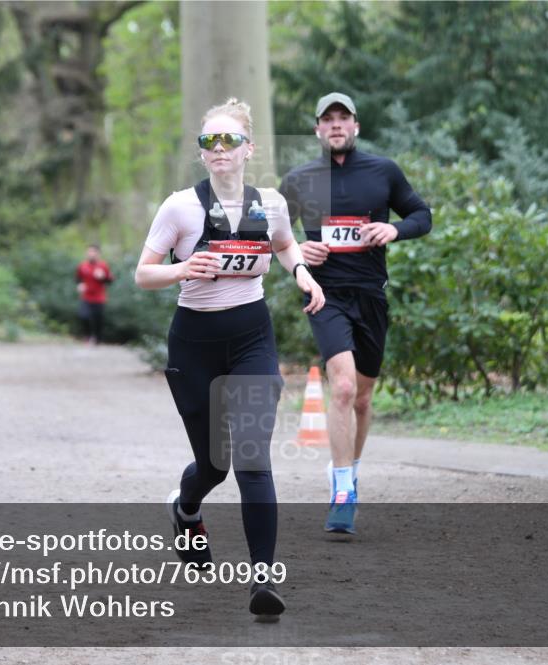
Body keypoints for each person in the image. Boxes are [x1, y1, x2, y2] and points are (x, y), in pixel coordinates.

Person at [135, 98, 325, 617]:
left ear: (248, 149)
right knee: (214, 465)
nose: (219, 148)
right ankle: (186, 509)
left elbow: (284, 245)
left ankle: (262, 579)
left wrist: (302, 273)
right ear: (202, 153)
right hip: (194, 346)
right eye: (209, 141)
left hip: (251, 340)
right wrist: (182, 269)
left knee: (252, 458)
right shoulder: (180, 207)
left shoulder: (271, 204)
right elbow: (143, 273)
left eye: (229, 140)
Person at [279, 92, 432, 534]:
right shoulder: (299, 179)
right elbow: (271, 236)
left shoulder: (383, 172)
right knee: (343, 387)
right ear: (317, 129)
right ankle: (343, 491)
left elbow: (422, 215)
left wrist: (394, 229)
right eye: (327, 119)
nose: (335, 125)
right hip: (324, 296)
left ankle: (349, 470)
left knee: (362, 398)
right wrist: (299, 249)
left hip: (371, 296)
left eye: (343, 117)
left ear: (356, 126)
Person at [76, 244, 113, 344]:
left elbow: (110, 281)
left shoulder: (103, 266)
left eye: (93, 252)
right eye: (89, 252)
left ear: (98, 254)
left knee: (98, 319)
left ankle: (98, 339)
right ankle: (87, 336)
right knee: (83, 316)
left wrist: (103, 277)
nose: (91, 254)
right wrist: (80, 285)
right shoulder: (82, 266)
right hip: (86, 297)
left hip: (99, 298)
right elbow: (78, 279)